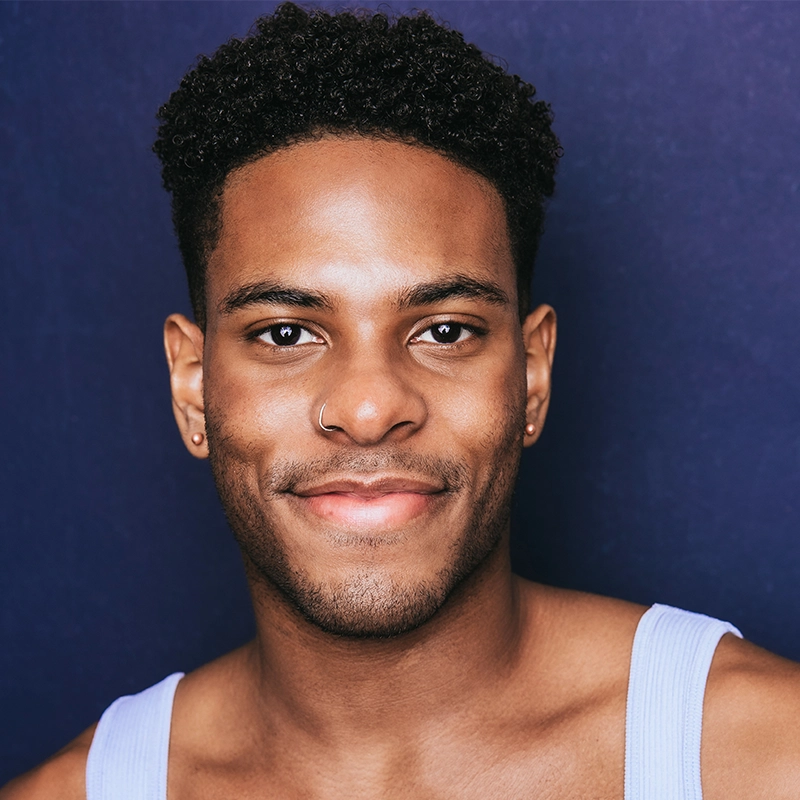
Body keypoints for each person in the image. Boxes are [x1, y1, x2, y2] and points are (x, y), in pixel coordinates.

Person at [4, 4, 800, 798]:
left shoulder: (766, 758)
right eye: (286, 334)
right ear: (192, 385)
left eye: (444, 330)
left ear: (531, 373)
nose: (370, 407)